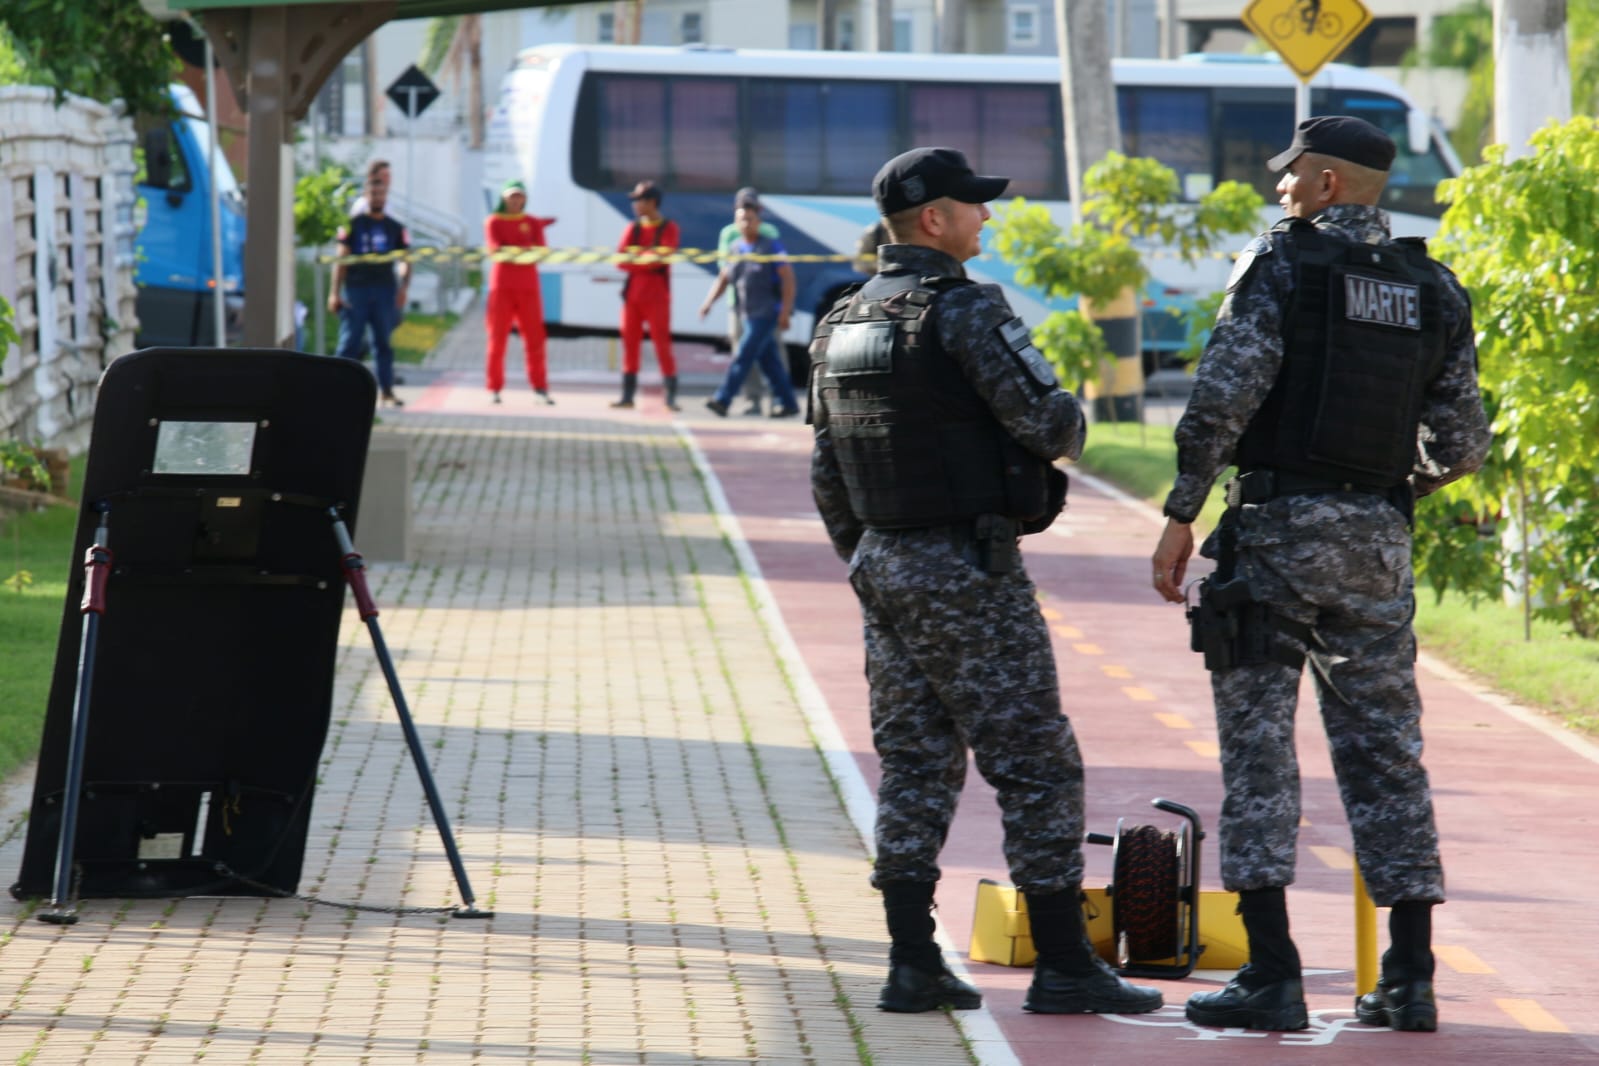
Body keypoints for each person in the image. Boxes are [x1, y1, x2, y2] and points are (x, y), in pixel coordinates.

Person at [1150, 116, 1492, 1034]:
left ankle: (1271, 975)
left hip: (1274, 543)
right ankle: (1409, 979)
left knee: (1259, 755)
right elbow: (1462, 443)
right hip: (1376, 546)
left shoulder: (1280, 266)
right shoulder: (1433, 288)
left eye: (1290, 174)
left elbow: (1221, 398)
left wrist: (1181, 512)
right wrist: (1382, 491)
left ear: (1327, 184)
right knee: (1387, 755)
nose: (1279, 188)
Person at [809, 146, 1163, 1018]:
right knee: (1036, 762)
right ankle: (1064, 965)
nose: (987, 216)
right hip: (966, 566)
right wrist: (1068, 411)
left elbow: (826, 468)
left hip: (883, 561)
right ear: (934, 219)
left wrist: (870, 556)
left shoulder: (841, 318)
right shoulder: (964, 310)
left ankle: (910, 962)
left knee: (914, 762)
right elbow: (1050, 425)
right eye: (973, 204)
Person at [698, 202, 800, 418]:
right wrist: (708, 303)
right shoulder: (735, 248)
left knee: (743, 356)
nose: (745, 223)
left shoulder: (771, 247)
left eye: (749, 219)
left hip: (766, 313)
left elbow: (788, 279)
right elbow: (724, 279)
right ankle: (788, 402)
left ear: (758, 222)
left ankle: (723, 399)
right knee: (770, 362)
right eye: (741, 219)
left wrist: (785, 311)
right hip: (746, 313)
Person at [330, 174, 411, 407]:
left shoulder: (395, 227)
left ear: (386, 196)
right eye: (373, 194)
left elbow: (406, 259)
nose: (377, 198)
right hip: (356, 290)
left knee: (383, 342)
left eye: (381, 194)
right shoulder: (352, 225)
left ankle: (386, 390)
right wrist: (334, 292)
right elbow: (341, 259)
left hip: (385, 290)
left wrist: (403, 286)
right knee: (350, 342)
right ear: (366, 196)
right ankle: (335, 390)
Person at [484, 179, 556, 404]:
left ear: (525, 199)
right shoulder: (494, 221)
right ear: (504, 199)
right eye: (511, 197)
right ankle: (494, 388)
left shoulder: (532, 222)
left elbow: (541, 251)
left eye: (519, 196)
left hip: (528, 286)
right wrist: (524, 251)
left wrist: (516, 251)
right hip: (502, 286)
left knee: (535, 339)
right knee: (497, 339)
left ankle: (540, 388)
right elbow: (496, 250)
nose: (515, 201)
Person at [612, 180, 680, 411]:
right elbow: (620, 260)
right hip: (632, 297)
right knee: (630, 345)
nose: (635, 205)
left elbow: (661, 259)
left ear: (652, 202)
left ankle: (670, 397)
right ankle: (627, 396)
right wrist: (646, 259)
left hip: (657, 297)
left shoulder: (669, 228)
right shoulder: (633, 228)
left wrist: (637, 258)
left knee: (662, 345)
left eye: (639, 200)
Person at [719, 187, 783, 415]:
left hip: (767, 304)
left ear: (759, 210)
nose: (747, 213)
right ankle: (753, 398)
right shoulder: (729, 234)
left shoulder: (769, 232)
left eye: (751, 207)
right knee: (743, 352)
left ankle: (778, 400)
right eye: (742, 207)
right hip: (739, 304)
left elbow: (781, 271)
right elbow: (725, 268)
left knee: (772, 351)